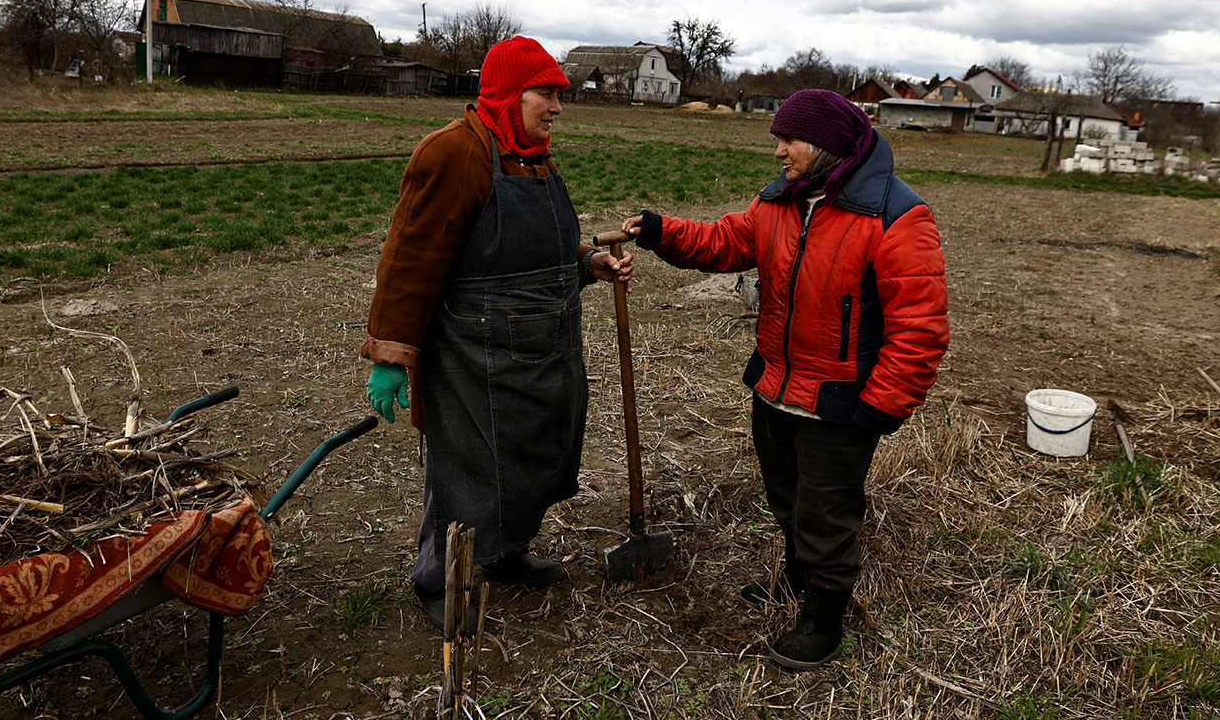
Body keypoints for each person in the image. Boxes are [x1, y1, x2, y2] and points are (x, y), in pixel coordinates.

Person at [623, 89, 947, 668]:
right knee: (787, 499)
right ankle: (797, 582)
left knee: (826, 513)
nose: (778, 152)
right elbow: (723, 242)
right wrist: (660, 230)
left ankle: (824, 618)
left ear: (824, 145)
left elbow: (919, 329)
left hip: (840, 404)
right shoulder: (779, 203)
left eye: (787, 140)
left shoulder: (897, 217)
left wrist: (880, 408)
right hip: (775, 389)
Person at [362, 35, 631, 630]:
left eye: (560, 94)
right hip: (470, 353)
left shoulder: (532, 155)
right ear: (509, 94)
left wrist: (586, 263)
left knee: (528, 456)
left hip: (539, 349)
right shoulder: (452, 155)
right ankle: (436, 578)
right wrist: (389, 355)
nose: (558, 107)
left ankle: (505, 555)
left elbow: (537, 252)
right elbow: (410, 262)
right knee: (465, 468)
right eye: (547, 93)